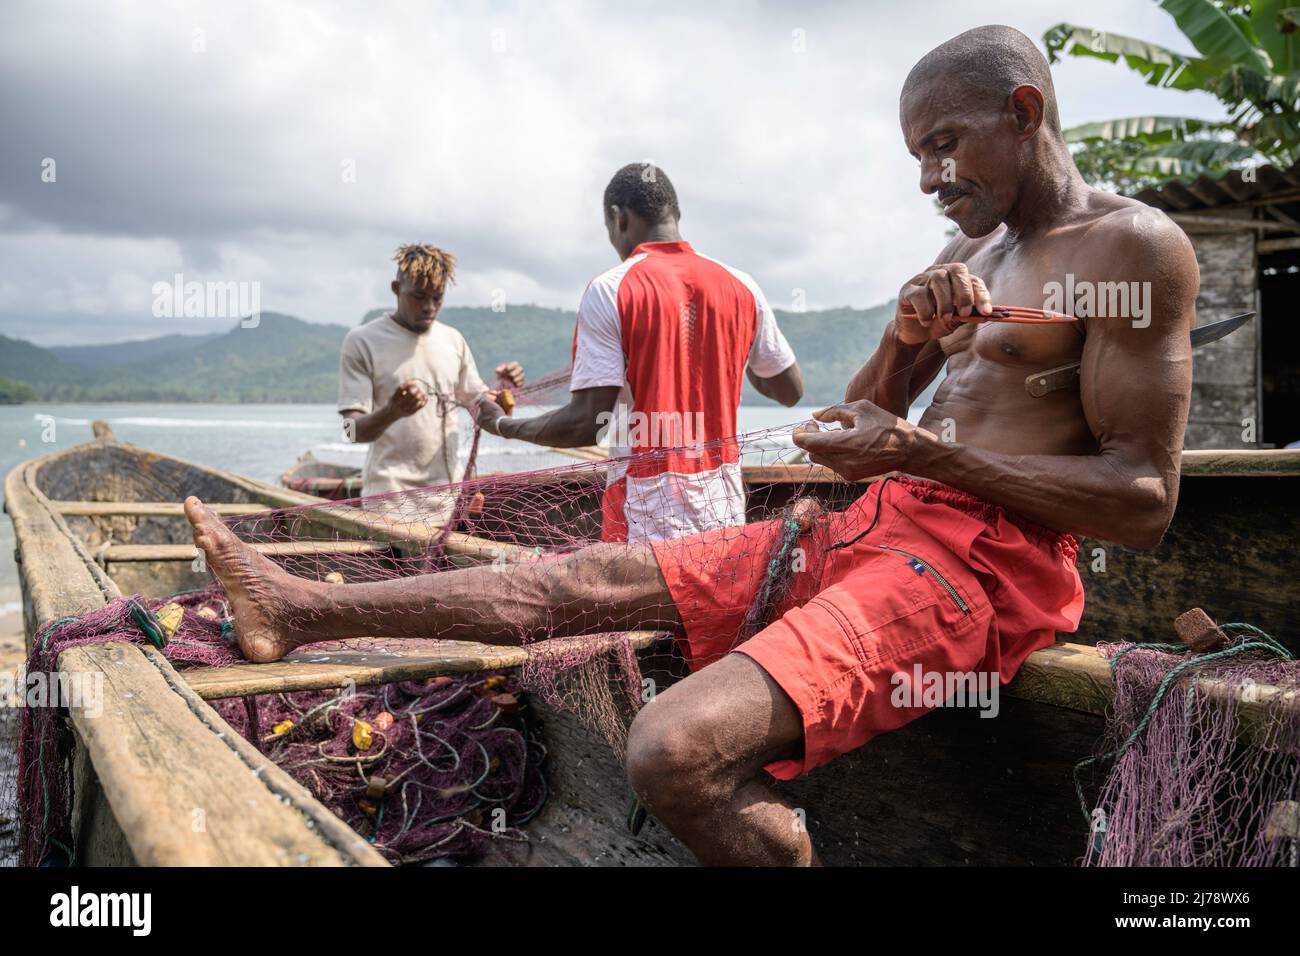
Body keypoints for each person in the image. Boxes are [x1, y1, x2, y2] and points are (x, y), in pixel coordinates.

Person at [185, 25, 1197, 866]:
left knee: (668, 748)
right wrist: (903, 336)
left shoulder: (1131, 248)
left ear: (1023, 114)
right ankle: (296, 606)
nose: (931, 178)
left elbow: (1143, 500)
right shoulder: (962, 251)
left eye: (945, 145)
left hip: (984, 571)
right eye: (916, 158)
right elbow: (846, 416)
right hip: (877, 523)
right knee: (575, 579)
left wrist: (923, 456)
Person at [478, 163, 803, 542]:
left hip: (644, 515)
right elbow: (789, 391)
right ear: (676, 214)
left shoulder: (610, 289)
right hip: (724, 511)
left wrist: (503, 425)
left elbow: (588, 423)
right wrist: (729, 341)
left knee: (638, 604)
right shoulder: (742, 286)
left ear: (618, 219)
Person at [337, 244, 524, 520]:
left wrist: (503, 391)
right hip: (389, 505)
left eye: (438, 297)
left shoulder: (453, 341)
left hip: (448, 504)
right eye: (418, 296)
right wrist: (393, 411)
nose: (429, 307)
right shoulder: (363, 341)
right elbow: (352, 432)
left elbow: (482, 407)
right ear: (396, 288)